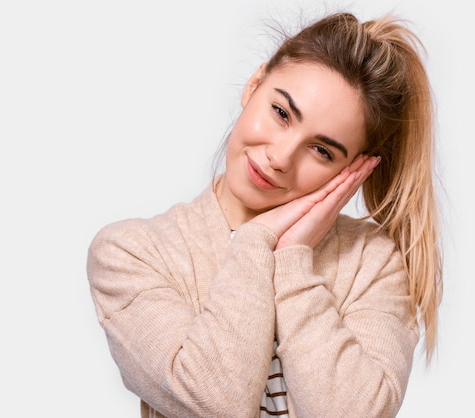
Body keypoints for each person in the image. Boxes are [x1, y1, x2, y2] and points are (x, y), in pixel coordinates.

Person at [86, 10, 443, 418]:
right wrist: (257, 240)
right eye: (281, 113)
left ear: (352, 169)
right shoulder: (133, 253)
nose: (279, 157)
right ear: (254, 84)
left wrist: (292, 260)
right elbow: (215, 403)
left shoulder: (372, 264)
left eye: (322, 150)